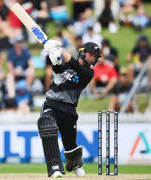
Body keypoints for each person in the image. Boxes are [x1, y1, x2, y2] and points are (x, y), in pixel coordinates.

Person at [38, 40, 101, 178]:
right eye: (89, 54)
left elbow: (73, 64)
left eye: (94, 56)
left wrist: (59, 48)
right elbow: (57, 68)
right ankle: (55, 167)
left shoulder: (88, 73)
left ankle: (75, 165)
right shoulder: (67, 64)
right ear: (82, 52)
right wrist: (53, 56)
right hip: (52, 103)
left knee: (70, 144)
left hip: (69, 109)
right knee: (47, 127)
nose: (91, 58)